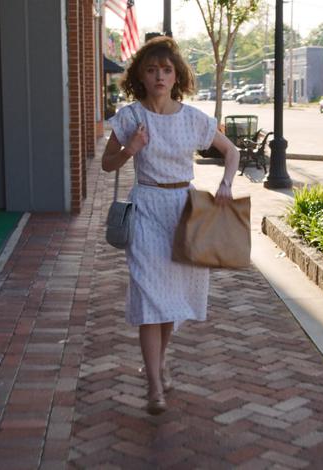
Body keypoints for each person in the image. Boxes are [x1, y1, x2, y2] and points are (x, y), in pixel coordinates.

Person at [101, 36, 239, 415]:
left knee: (168, 302)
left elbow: (232, 152)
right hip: (146, 206)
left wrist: (226, 183)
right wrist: (131, 149)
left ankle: (158, 364)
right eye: (151, 70)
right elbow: (106, 164)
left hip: (183, 211)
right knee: (149, 297)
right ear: (140, 77)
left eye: (166, 70)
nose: (159, 76)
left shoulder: (193, 119)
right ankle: (154, 384)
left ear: (176, 76)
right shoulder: (131, 118)